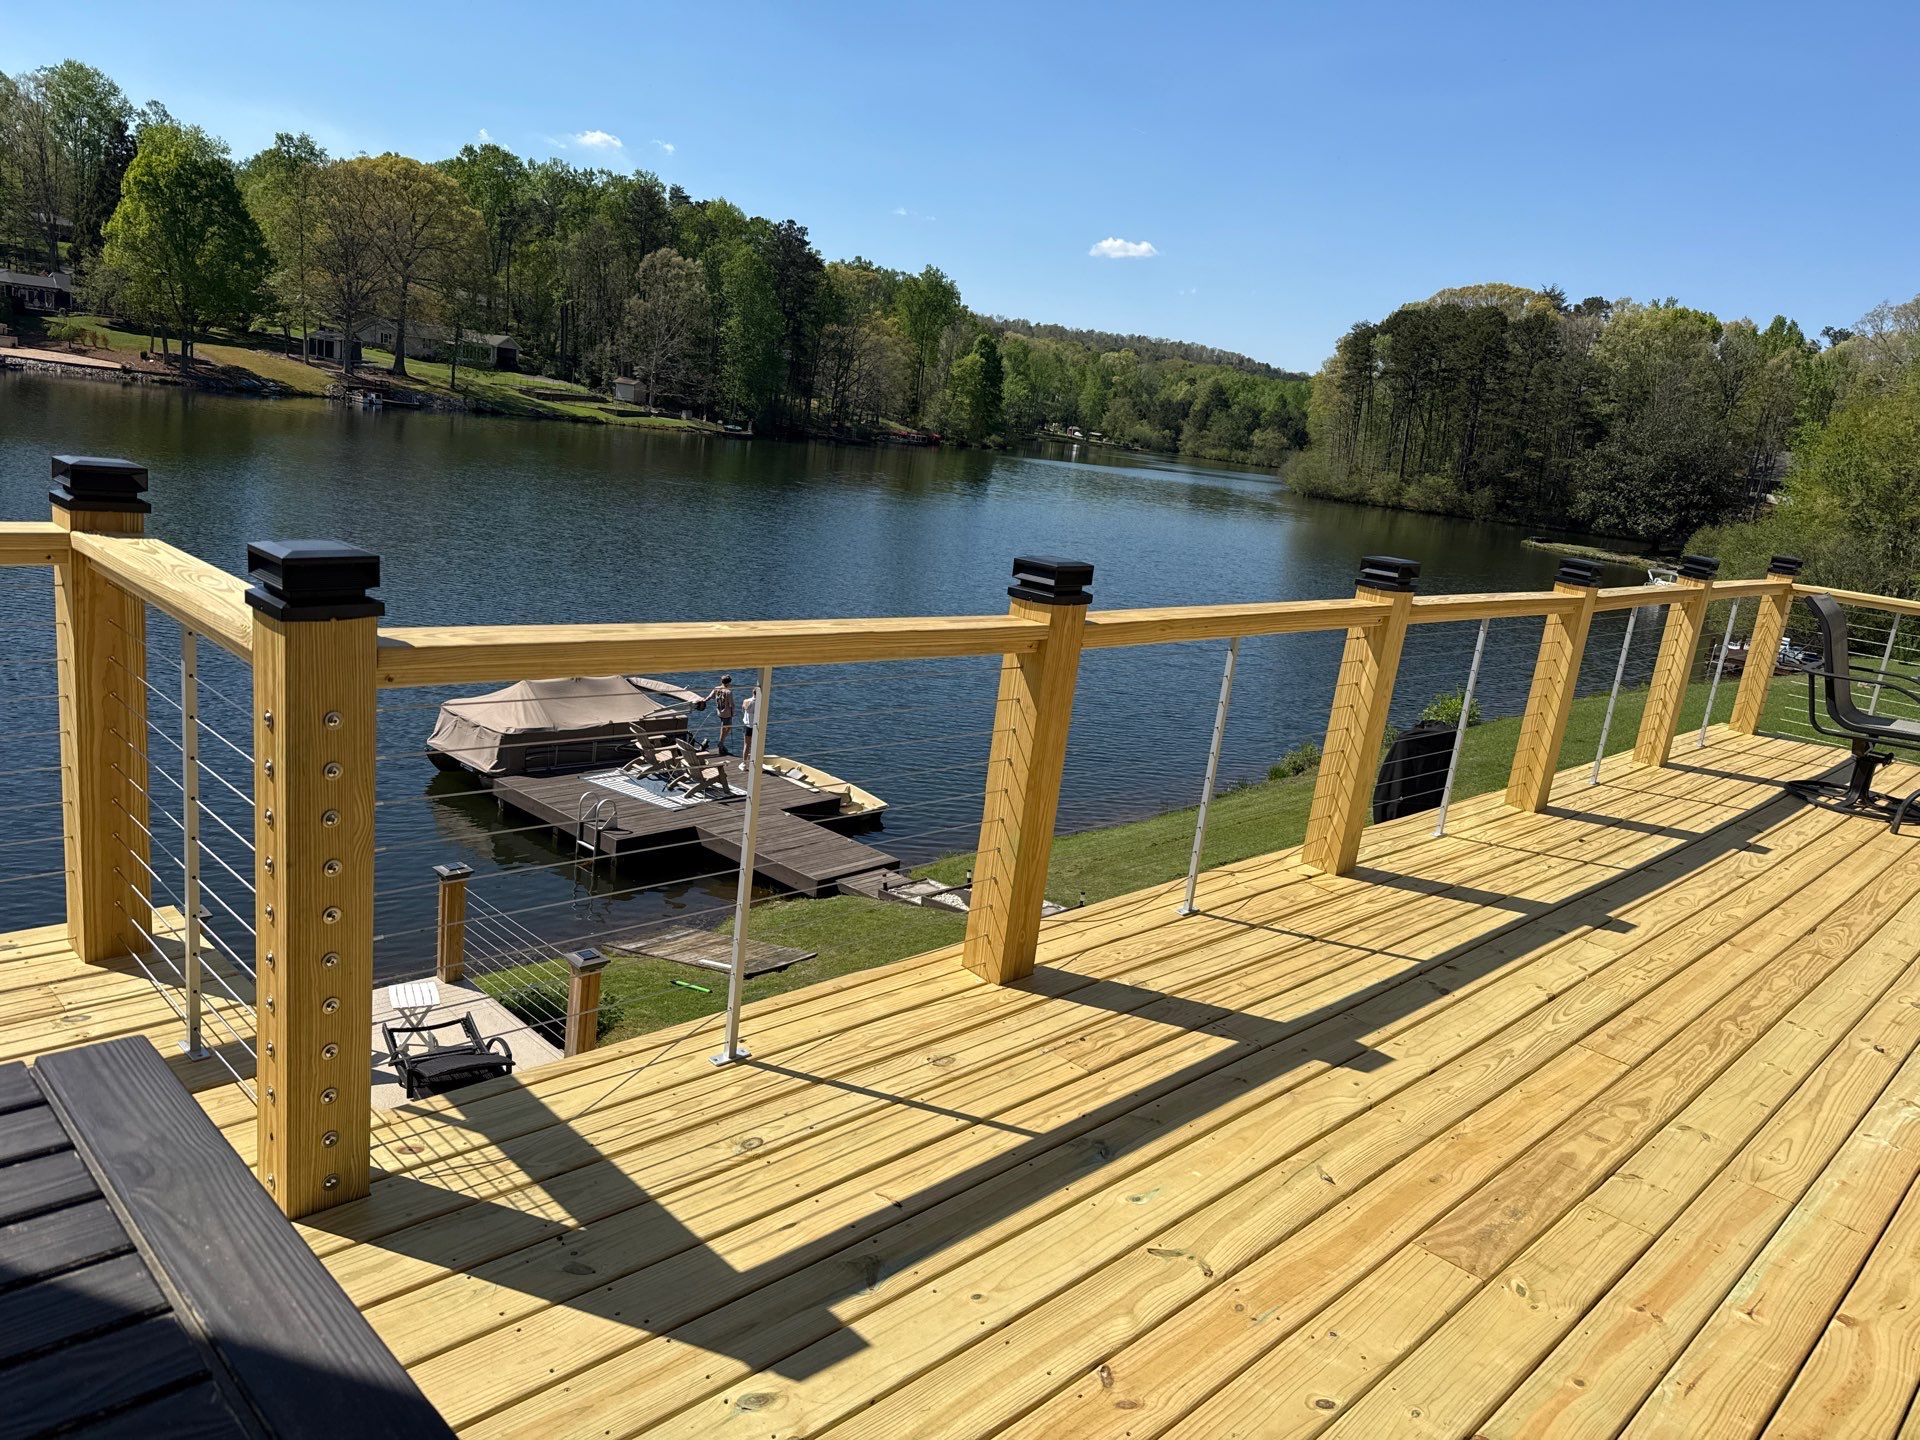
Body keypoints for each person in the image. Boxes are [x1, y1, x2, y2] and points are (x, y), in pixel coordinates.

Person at [704, 674, 736, 753]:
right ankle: (720, 743)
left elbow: (709, 697)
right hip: (727, 713)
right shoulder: (728, 692)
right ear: (729, 683)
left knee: (725, 727)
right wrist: (734, 712)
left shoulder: (716, 689)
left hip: (719, 712)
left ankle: (721, 742)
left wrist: (703, 700)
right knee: (726, 728)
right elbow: (731, 704)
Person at [742, 684, 758, 757]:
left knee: (747, 745)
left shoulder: (746, 701)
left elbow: (743, 709)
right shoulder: (760, 702)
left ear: (753, 692)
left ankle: (744, 763)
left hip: (748, 725)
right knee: (755, 745)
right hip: (756, 726)